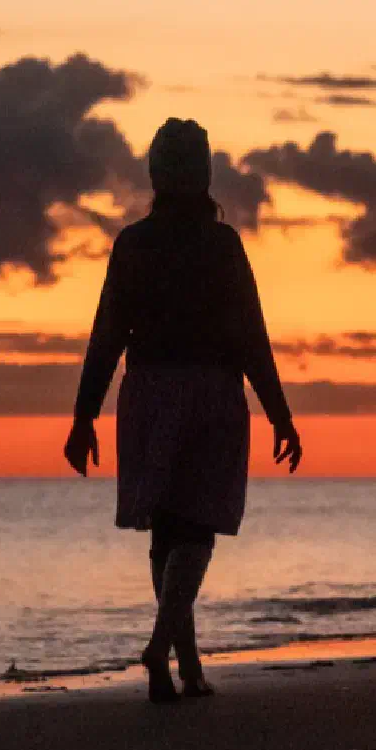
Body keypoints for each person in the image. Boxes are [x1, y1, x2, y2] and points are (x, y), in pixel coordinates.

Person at [66, 118, 303, 703]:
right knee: (195, 527)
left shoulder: (133, 244)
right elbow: (251, 334)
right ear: (203, 177)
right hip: (211, 393)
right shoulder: (221, 246)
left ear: (156, 175)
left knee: (168, 532)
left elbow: (105, 338)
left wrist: (83, 417)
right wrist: (280, 414)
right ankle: (163, 645)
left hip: (146, 394)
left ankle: (183, 664)